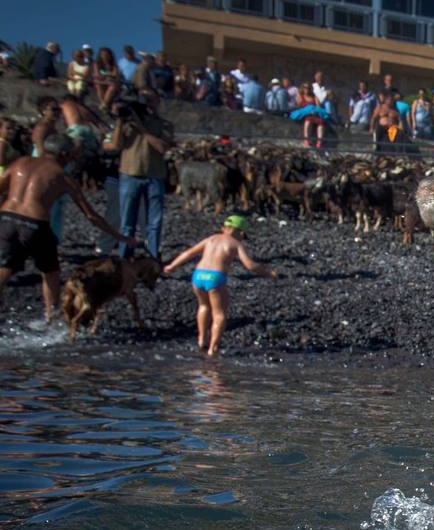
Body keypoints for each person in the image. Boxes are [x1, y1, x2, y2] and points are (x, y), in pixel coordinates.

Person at [0, 135, 136, 319]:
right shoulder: (61, 175)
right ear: (63, 155)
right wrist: (119, 237)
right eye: (71, 155)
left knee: (5, 268)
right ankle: (52, 317)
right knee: (50, 272)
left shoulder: (20, 163)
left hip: (7, 218)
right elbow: (90, 215)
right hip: (35, 224)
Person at [162, 215, 278, 357]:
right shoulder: (235, 244)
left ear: (223, 228)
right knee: (219, 313)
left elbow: (189, 253)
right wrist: (269, 273)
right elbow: (250, 265)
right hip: (215, 277)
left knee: (203, 306)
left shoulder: (210, 239)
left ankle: (201, 340)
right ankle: (213, 348)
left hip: (198, 275)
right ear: (241, 232)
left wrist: (172, 266)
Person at [112, 93, 174, 260]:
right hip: (129, 174)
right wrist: (119, 121)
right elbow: (116, 145)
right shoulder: (127, 125)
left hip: (154, 176)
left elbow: (162, 147)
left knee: (154, 223)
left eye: (151, 100)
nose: (147, 105)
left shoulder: (164, 125)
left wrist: (142, 129)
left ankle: (152, 258)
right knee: (126, 223)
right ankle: (124, 257)